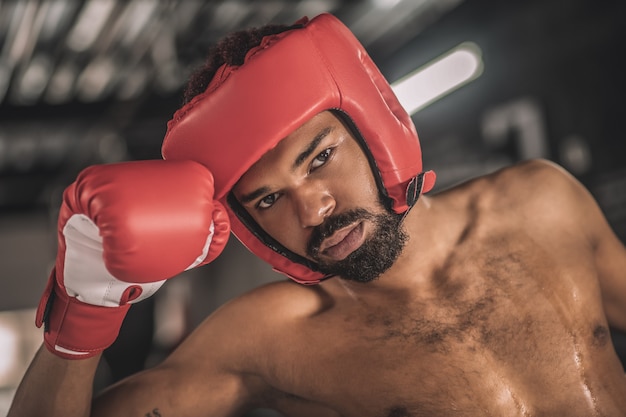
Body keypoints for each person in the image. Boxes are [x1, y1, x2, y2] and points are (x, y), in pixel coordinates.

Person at [8, 13, 626, 417]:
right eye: (268, 200)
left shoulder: (544, 203)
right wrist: (83, 308)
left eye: (320, 157)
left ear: (375, 127)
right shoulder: (272, 338)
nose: (314, 209)